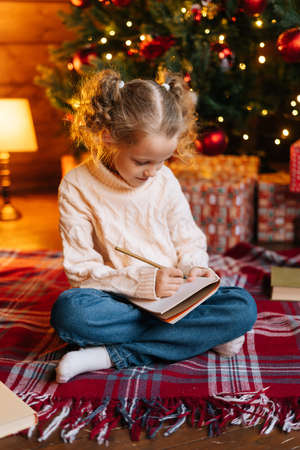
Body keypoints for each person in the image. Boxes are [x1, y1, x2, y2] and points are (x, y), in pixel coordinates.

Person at [50, 69, 257, 383]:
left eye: (163, 161)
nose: (152, 172)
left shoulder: (164, 179)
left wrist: (194, 267)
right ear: (109, 135)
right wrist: (143, 283)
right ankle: (202, 335)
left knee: (243, 307)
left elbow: (187, 238)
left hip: (176, 294)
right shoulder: (77, 186)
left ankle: (109, 355)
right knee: (70, 314)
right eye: (142, 161)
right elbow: (80, 271)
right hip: (115, 297)